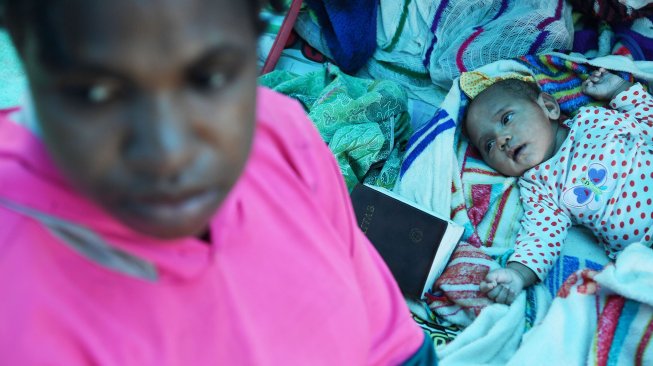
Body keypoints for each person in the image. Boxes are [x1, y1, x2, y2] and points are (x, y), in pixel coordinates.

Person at [0, 0, 438, 364]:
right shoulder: (20, 308)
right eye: (98, 92)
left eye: (209, 77)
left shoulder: (279, 135)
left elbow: (392, 346)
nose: (170, 152)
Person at [462, 68, 653, 305]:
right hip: (645, 248)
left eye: (506, 119)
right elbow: (541, 236)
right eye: (488, 144)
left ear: (549, 107)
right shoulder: (539, 185)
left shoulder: (592, 119)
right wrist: (517, 274)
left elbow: (646, 117)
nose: (502, 140)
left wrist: (618, 89)